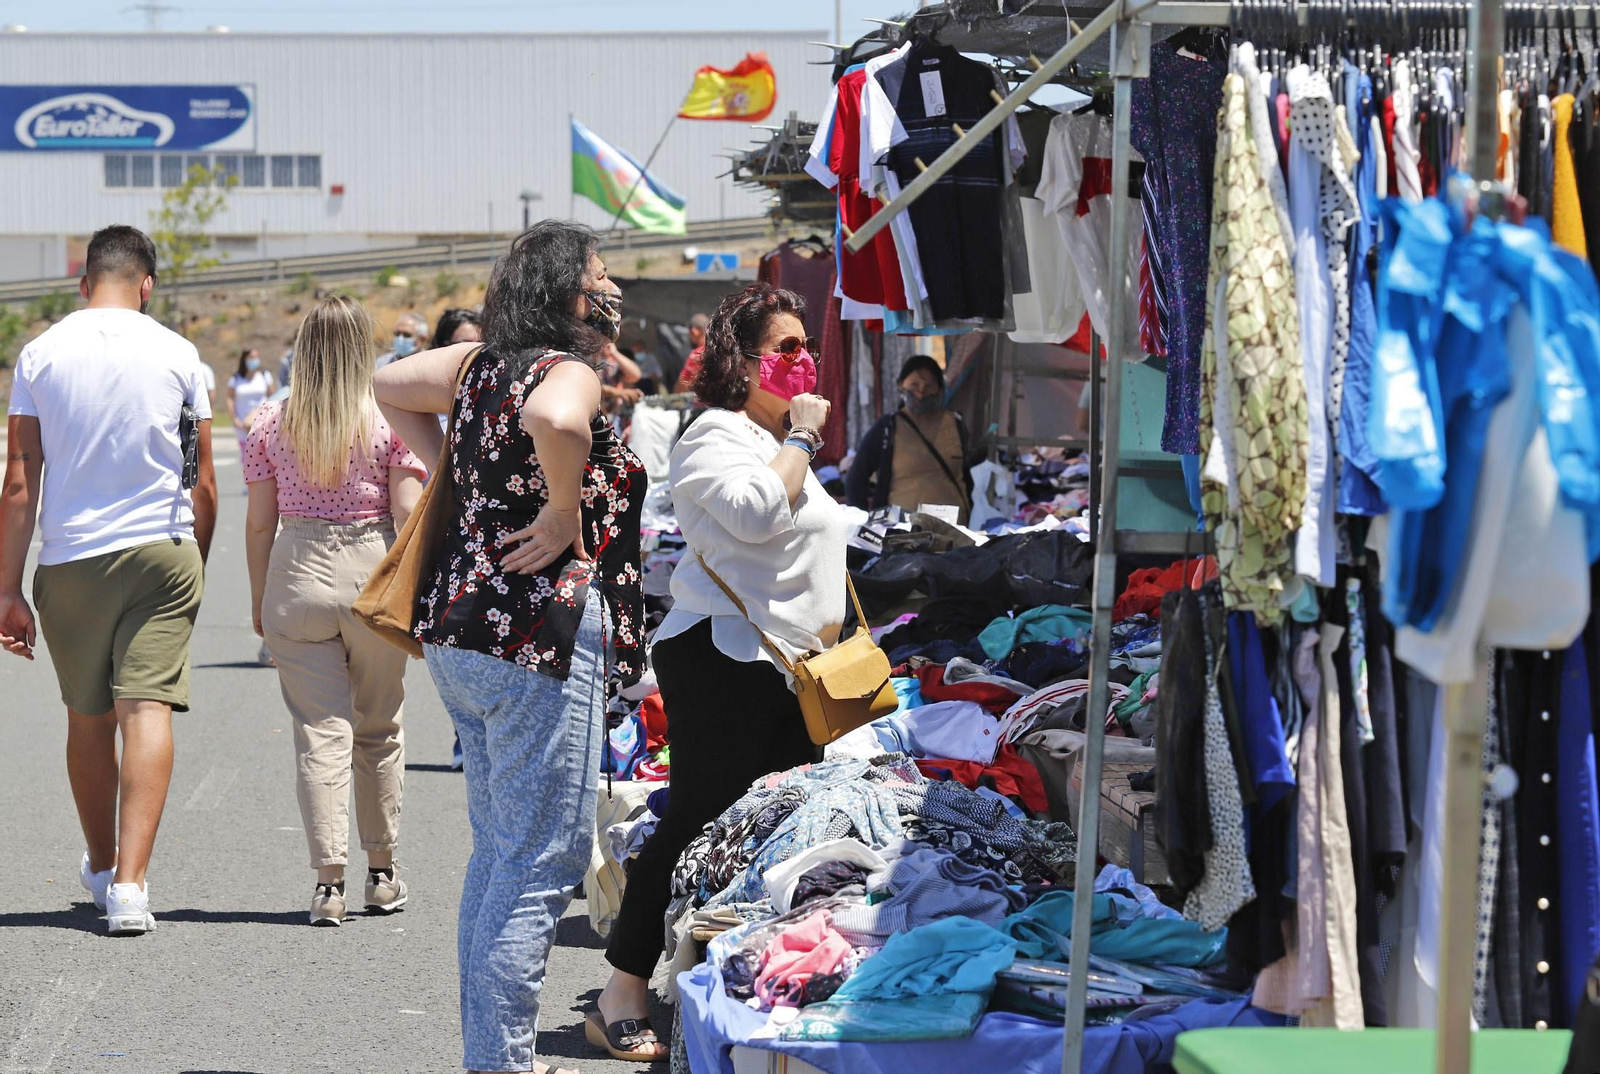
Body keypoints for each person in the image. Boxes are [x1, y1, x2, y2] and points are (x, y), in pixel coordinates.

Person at [373, 220, 644, 1074]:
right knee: (537, 861)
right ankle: (499, 1063)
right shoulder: (565, 370)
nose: (613, 287)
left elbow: (386, 384)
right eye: (600, 273)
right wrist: (562, 510)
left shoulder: (477, 361)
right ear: (571, 292)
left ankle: (494, 1053)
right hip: (539, 634)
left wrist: (455, 468)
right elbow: (555, 417)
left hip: (466, 629)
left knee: (501, 852)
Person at [594, 283, 844, 1062]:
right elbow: (755, 513)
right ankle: (621, 988)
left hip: (786, 667)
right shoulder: (716, 436)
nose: (804, 363)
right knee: (699, 815)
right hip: (724, 658)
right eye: (788, 348)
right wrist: (801, 441)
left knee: (776, 830)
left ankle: (728, 975)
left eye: (808, 347)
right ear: (745, 360)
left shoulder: (773, 439)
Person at [0, 224, 218, 935]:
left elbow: (18, 483)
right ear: (147, 283)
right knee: (147, 708)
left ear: (84, 280)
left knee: (89, 718)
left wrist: (7, 589)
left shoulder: (41, 353)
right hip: (162, 547)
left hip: (71, 558)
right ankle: (131, 885)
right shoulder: (180, 353)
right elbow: (204, 481)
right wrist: (196, 560)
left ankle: (100, 864)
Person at [244, 295, 426, 927]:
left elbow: (260, 522)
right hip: (372, 569)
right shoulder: (388, 421)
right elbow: (407, 512)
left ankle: (327, 886)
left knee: (320, 732)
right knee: (379, 726)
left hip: (295, 569)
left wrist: (258, 595)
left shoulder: (270, 420)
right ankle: (381, 872)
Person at [844, 354, 975, 524]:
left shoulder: (956, 424)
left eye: (928, 386)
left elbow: (966, 478)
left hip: (954, 531)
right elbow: (856, 480)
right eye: (914, 385)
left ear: (939, 390)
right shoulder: (887, 427)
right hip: (901, 535)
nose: (921, 392)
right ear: (900, 386)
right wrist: (862, 527)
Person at [227, 348, 276, 451]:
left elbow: (273, 396)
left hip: (262, 421)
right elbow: (230, 398)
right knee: (246, 454)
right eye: (251, 357)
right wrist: (234, 418)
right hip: (242, 423)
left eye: (256, 357)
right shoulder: (236, 378)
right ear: (244, 359)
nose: (254, 360)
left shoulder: (264, 375)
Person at [671, 311, 711, 392]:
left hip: (704, 403)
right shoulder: (720, 351)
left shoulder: (697, 355)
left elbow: (682, 385)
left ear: (694, 331)